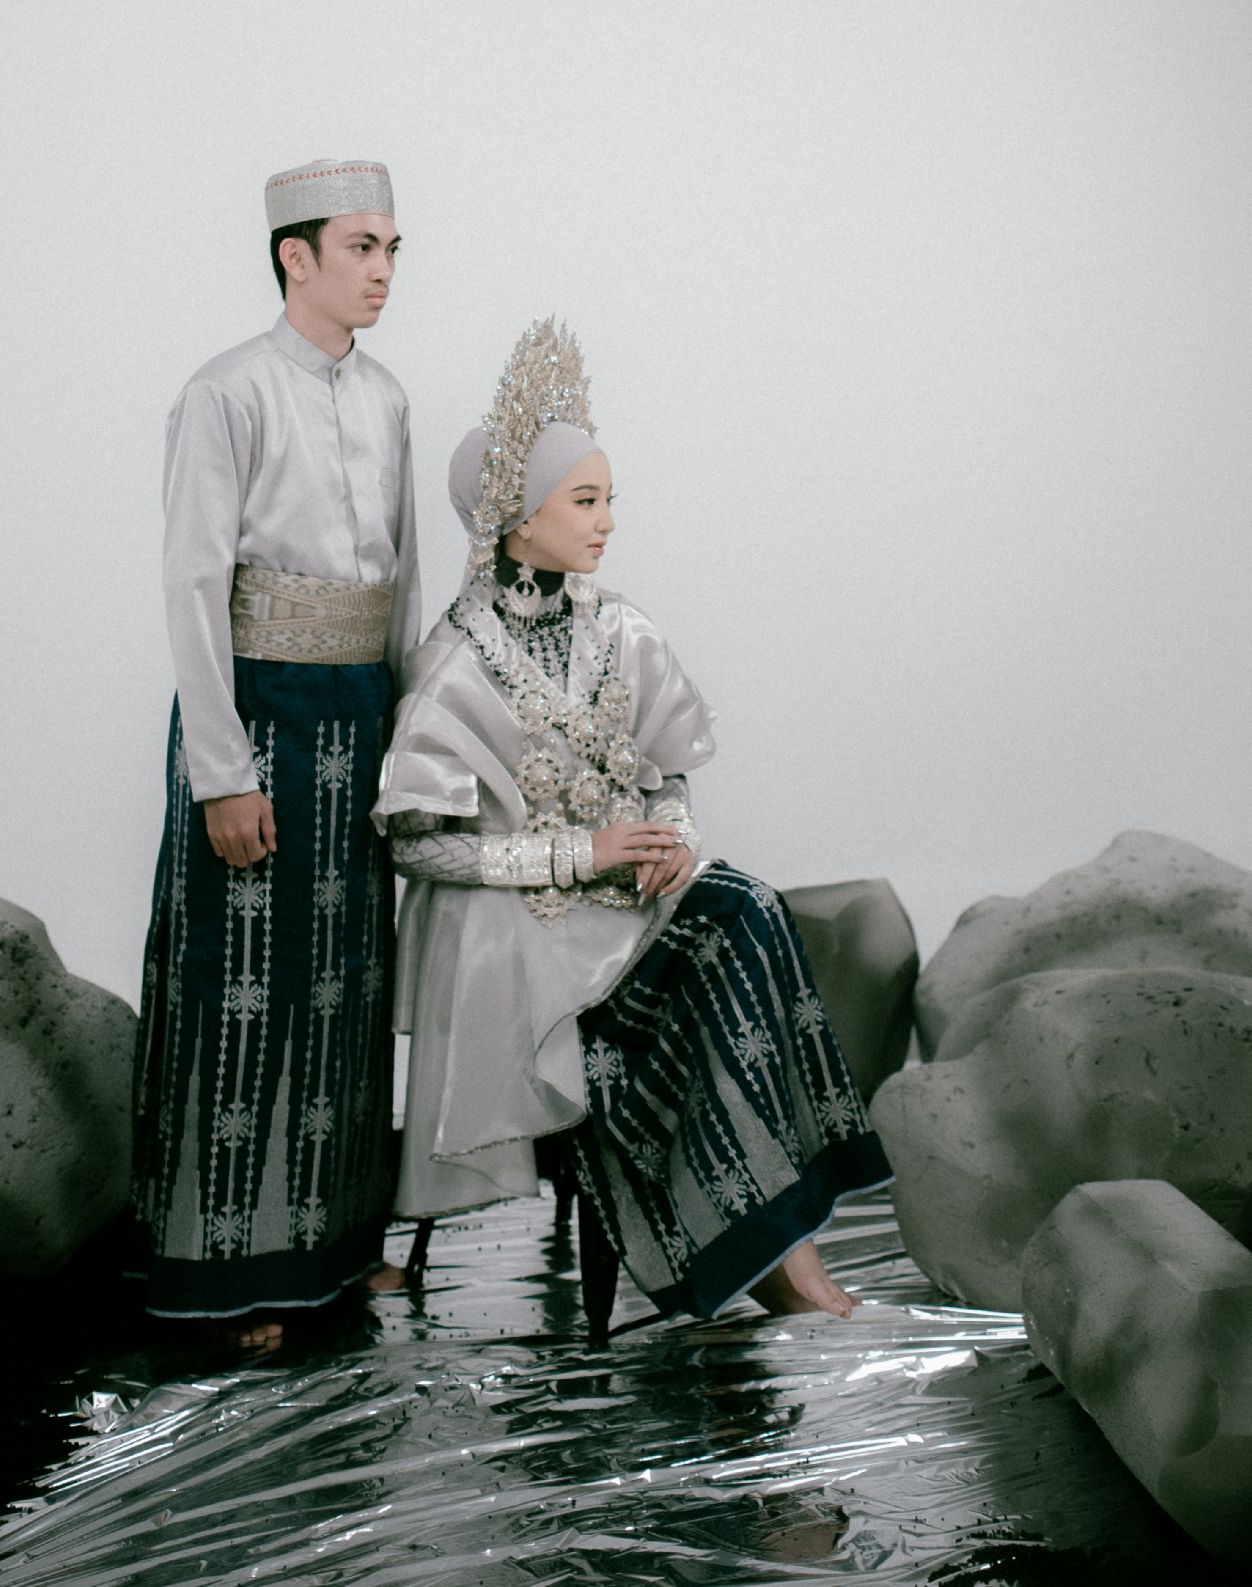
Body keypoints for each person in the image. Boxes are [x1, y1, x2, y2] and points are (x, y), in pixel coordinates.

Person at [373, 318, 890, 1325]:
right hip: (523, 936)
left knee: (745, 907)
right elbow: (419, 842)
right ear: (519, 518)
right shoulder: (454, 665)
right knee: (731, 934)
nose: (608, 521)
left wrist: (672, 841)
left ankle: (781, 1247)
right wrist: (584, 851)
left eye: (609, 498)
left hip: (624, 908)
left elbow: (666, 775)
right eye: (586, 500)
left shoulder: (618, 628)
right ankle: (784, 1267)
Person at [130, 158, 420, 1349]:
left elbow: (403, 582)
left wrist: (414, 748)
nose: (384, 270)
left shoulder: (390, 399)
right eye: (361, 246)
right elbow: (193, 582)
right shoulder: (227, 392)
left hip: (362, 715)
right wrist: (223, 772)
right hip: (257, 715)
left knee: (348, 980)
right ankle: (229, 1270)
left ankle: (335, 1246)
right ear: (296, 257)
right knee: (242, 978)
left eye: (393, 248)